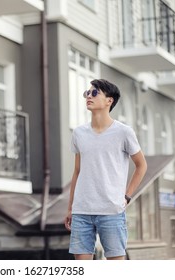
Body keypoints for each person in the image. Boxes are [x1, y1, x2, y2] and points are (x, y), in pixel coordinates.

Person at [64, 79, 147, 260]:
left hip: (112, 211)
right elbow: (77, 171)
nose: (89, 96)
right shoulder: (79, 133)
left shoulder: (124, 132)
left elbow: (141, 165)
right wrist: (70, 208)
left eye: (95, 93)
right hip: (82, 211)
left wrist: (127, 196)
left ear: (109, 100)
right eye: (87, 93)